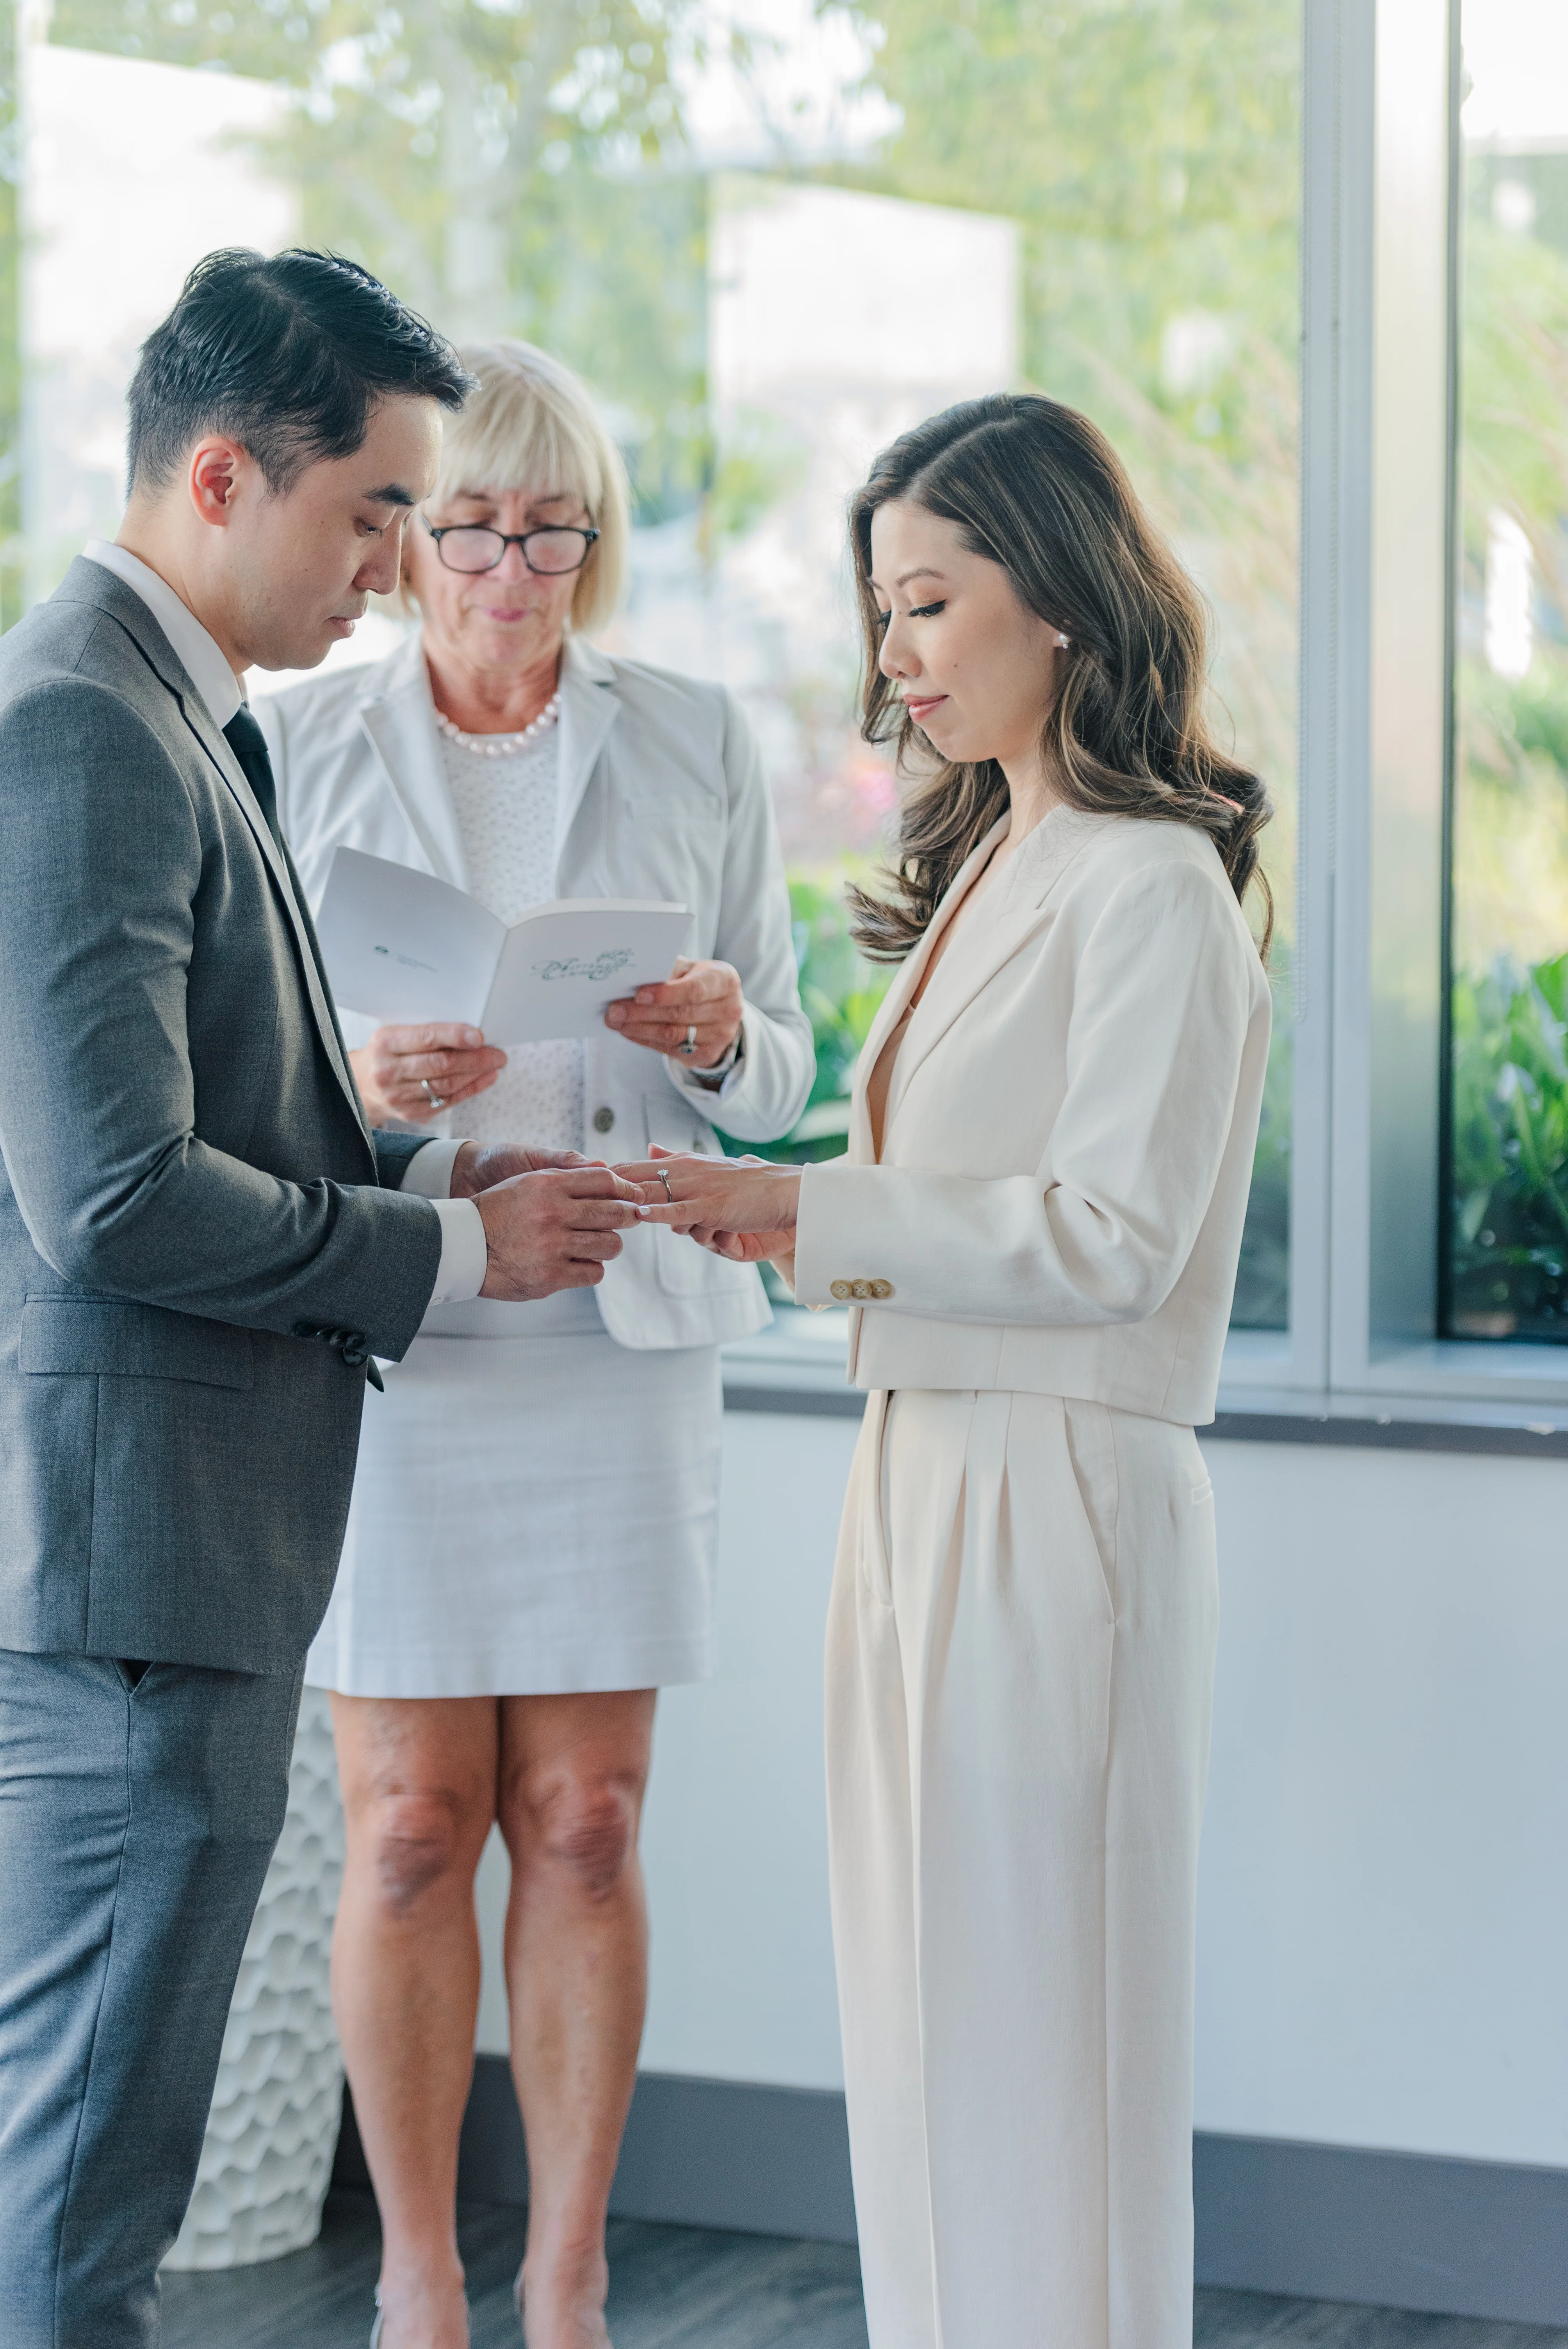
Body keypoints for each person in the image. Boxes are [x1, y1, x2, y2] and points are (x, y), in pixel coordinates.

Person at [0, 251, 649, 2349]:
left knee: (102, 2156)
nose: (404, 561)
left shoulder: (186, 719)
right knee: (85, 2178)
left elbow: (219, 1124)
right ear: (217, 476)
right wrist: (447, 1250)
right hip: (129, 1575)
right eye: (374, 509)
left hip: (174, 1560)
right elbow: (110, 1196)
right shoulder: (85, 727)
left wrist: (446, 1172)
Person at [629, 392, 1274, 2349]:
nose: (893, 654)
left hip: (1056, 1492)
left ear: (1060, 600)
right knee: (920, 2018)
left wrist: (797, 1220)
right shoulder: (997, 861)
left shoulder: (1149, 881)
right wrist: (780, 1209)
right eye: (880, 612)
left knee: (1038, 2034)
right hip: (918, 1476)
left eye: (928, 601)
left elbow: (1110, 1236)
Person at [257, 338, 812, 2349]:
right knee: (408, 1829)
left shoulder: (688, 730)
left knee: (585, 1818)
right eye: (471, 525)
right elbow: (239, 1081)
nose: (513, 567)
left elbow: (783, 1070)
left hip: (615, 1329)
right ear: (402, 539)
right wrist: (362, 1077)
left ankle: (566, 2278)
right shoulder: (293, 737)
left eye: (553, 528)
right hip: (411, 1333)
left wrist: (721, 1036)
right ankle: (419, 2283)